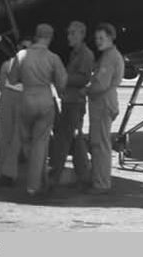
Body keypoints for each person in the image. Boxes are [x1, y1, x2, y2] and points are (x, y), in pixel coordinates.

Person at [9, 23, 67, 197]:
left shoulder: (22, 55)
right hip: (45, 100)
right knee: (41, 143)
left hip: (26, 99)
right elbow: (62, 82)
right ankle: (34, 185)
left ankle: (36, 177)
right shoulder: (53, 58)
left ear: (36, 35)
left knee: (27, 140)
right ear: (49, 38)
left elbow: (12, 79)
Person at [49, 21, 94, 187]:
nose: (69, 37)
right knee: (74, 138)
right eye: (69, 33)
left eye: (72, 34)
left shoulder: (85, 55)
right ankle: (83, 174)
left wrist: (64, 78)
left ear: (82, 35)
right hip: (70, 100)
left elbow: (84, 78)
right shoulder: (75, 53)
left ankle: (56, 174)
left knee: (65, 138)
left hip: (75, 102)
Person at [85, 22, 125, 195]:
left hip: (102, 103)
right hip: (103, 102)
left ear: (110, 38)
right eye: (96, 38)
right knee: (99, 143)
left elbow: (101, 83)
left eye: (102, 38)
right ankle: (99, 179)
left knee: (100, 144)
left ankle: (101, 183)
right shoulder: (109, 55)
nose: (98, 41)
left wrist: (85, 90)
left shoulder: (109, 57)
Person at [0, 38, 29, 187]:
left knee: (10, 138)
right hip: (16, 99)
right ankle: (7, 173)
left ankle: (5, 173)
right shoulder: (26, 65)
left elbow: (2, 86)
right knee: (10, 138)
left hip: (10, 98)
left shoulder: (7, 65)